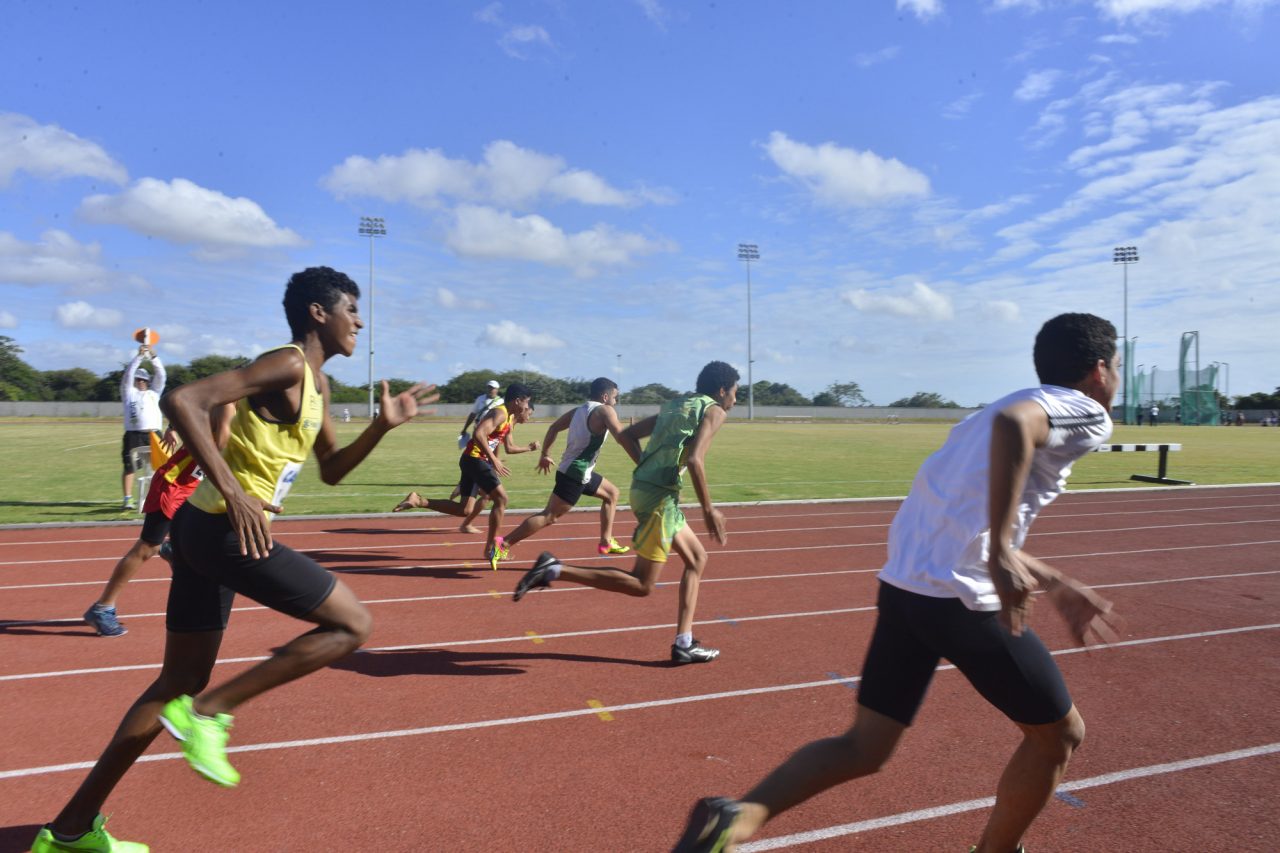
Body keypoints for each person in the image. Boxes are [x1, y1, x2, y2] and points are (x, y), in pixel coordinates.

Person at [672, 314, 1121, 853]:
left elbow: (963, 516)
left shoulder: (985, 415)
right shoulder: (1081, 411)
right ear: (1099, 370)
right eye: (1117, 368)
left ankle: (739, 817)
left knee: (865, 745)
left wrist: (1053, 578)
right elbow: (1016, 432)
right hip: (962, 602)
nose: (1116, 380)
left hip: (908, 591)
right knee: (1061, 737)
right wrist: (1002, 549)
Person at [32, 267, 437, 853]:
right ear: (319, 313)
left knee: (177, 679)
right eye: (351, 308)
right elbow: (183, 398)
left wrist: (380, 425)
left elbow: (332, 470)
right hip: (224, 527)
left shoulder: (317, 385)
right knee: (352, 624)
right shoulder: (290, 363)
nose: (360, 320)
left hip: (203, 529)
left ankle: (68, 833)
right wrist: (235, 489)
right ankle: (211, 712)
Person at [513, 360, 739, 665]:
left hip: (652, 492)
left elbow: (628, 435)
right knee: (642, 584)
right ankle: (555, 569)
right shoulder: (715, 410)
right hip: (659, 498)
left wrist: (650, 469)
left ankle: (684, 642)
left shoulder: (677, 405)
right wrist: (709, 509)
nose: (735, 400)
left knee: (697, 559)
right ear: (722, 390)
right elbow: (697, 460)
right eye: (735, 393)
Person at [84, 404, 234, 637]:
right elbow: (221, 445)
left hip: (192, 489)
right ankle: (103, 608)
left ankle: (173, 552)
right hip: (174, 485)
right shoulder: (228, 406)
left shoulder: (234, 406)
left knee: (195, 544)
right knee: (146, 548)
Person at [490, 377, 642, 570]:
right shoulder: (605, 410)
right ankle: (503, 544)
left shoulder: (580, 409)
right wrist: (642, 463)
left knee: (612, 494)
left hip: (577, 470)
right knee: (549, 516)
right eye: (614, 398)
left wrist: (545, 454)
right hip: (575, 474)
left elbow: (554, 427)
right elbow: (622, 437)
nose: (615, 402)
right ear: (605, 396)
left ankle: (606, 541)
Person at [393, 383, 537, 561]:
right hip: (476, 460)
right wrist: (494, 460)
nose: (527, 407)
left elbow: (508, 447)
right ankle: (492, 549)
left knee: (465, 510)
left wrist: (529, 448)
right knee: (501, 499)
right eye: (527, 403)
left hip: (472, 460)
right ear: (517, 401)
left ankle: (419, 500)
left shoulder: (509, 418)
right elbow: (478, 433)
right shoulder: (500, 413)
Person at [120, 343, 174, 509]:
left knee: (161, 467)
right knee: (130, 467)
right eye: (138, 379)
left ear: (148, 381)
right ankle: (128, 499)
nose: (141, 382)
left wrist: (153, 357)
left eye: (144, 380)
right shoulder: (128, 392)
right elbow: (128, 375)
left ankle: (159, 496)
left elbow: (161, 375)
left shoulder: (154, 393)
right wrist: (139, 357)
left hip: (153, 434)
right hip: (133, 435)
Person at [460, 379, 504, 450]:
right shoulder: (480, 399)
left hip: (492, 431)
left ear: (497, 389)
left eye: (493, 388)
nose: (490, 390)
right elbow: (473, 414)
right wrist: (465, 429)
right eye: (489, 387)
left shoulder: (501, 402)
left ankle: (494, 460)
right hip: (478, 429)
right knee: (475, 450)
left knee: (491, 451)